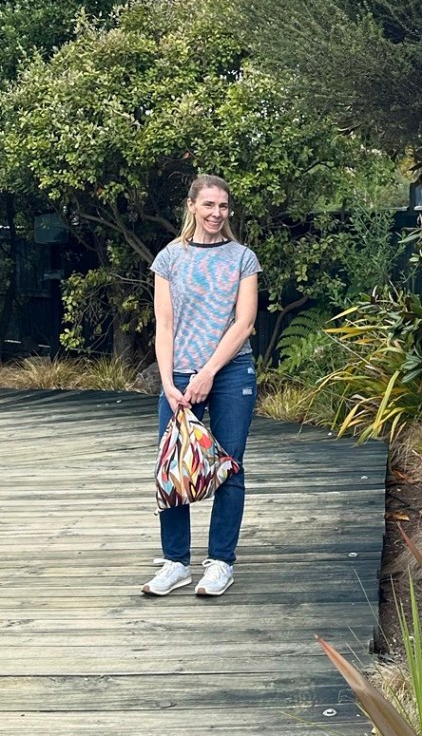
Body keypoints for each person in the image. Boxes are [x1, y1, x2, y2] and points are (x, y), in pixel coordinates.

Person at [141, 174, 260, 597]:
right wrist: (168, 381)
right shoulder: (169, 258)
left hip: (231, 372)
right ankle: (175, 563)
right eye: (208, 205)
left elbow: (244, 324)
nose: (216, 213)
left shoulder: (242, 258)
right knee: (173, 467)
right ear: (191, 206)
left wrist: (208, 372)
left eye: (223, 206)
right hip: (177, 375)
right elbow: (165, 324)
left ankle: (220, 563)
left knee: (229, 466)